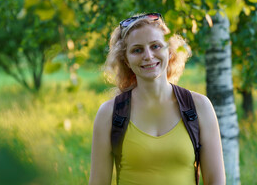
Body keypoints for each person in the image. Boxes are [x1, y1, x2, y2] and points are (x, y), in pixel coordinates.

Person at [89, 13, 225, 185]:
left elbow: (216, 181)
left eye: (155, 46)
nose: (148, 56)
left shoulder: (199, 107)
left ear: (169, 51)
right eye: (137, 50)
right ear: (127, 61)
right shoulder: (109, 114)